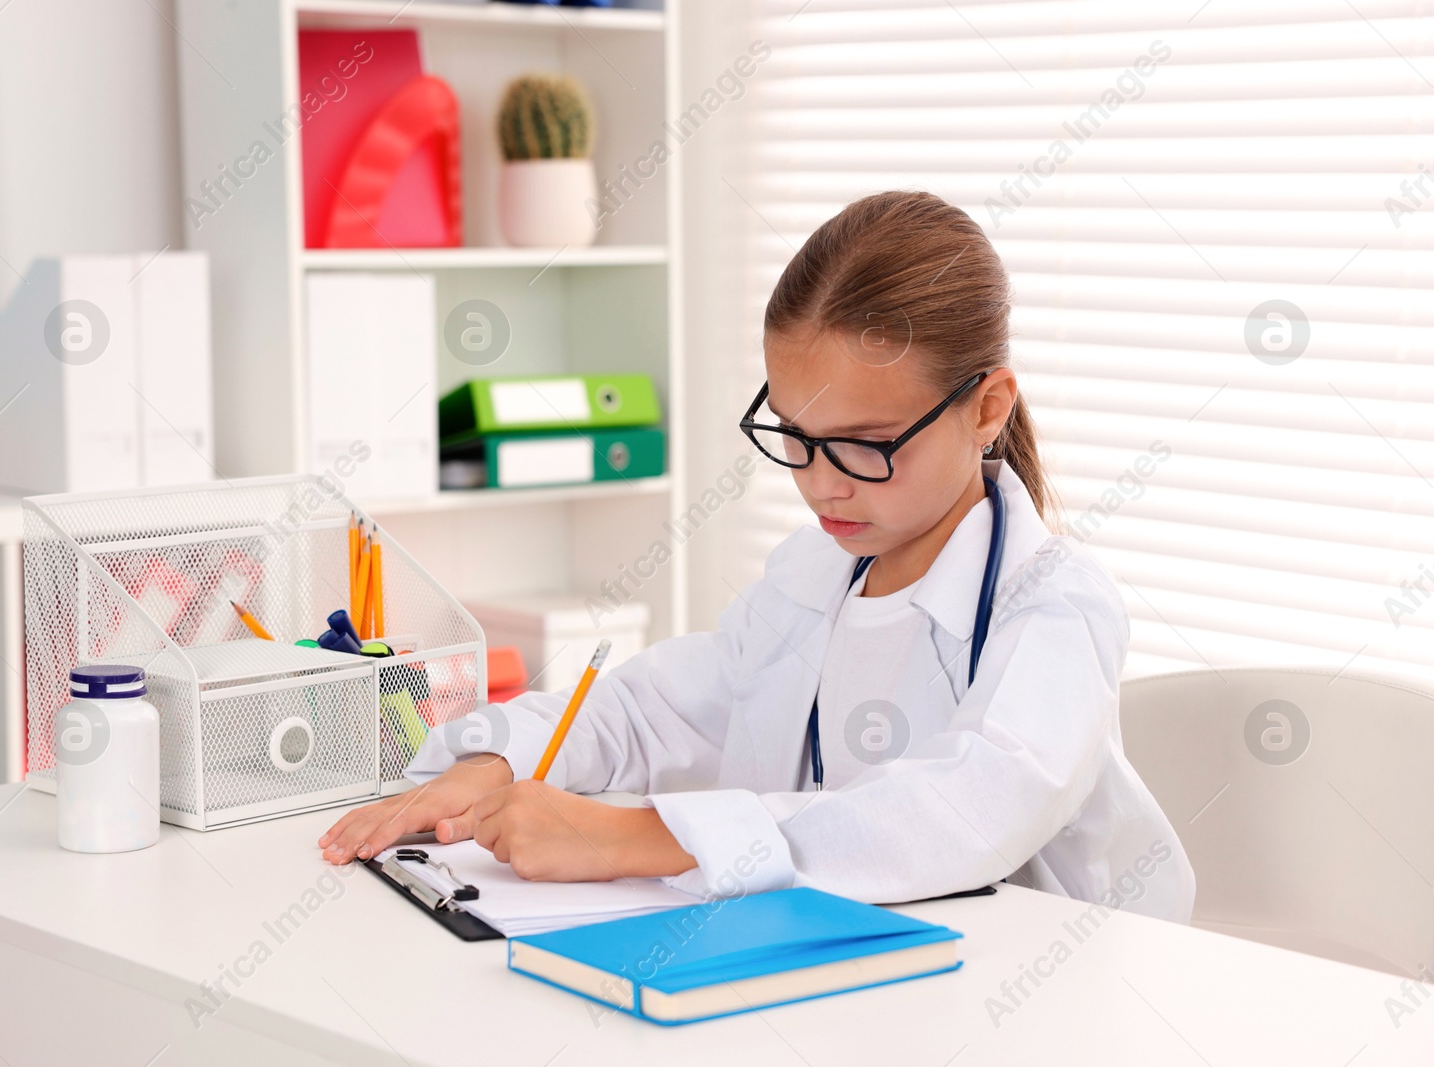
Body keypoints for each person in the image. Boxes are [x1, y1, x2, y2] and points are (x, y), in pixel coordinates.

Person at [319, 190, 1195, 920]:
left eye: (865, 444)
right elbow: (650, 711)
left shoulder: (1055, 604)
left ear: (986, 407)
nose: (822, 485)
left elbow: (965, 810)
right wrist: (495, 761)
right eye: (796, 437)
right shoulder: (813, 577)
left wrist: (630, 836)